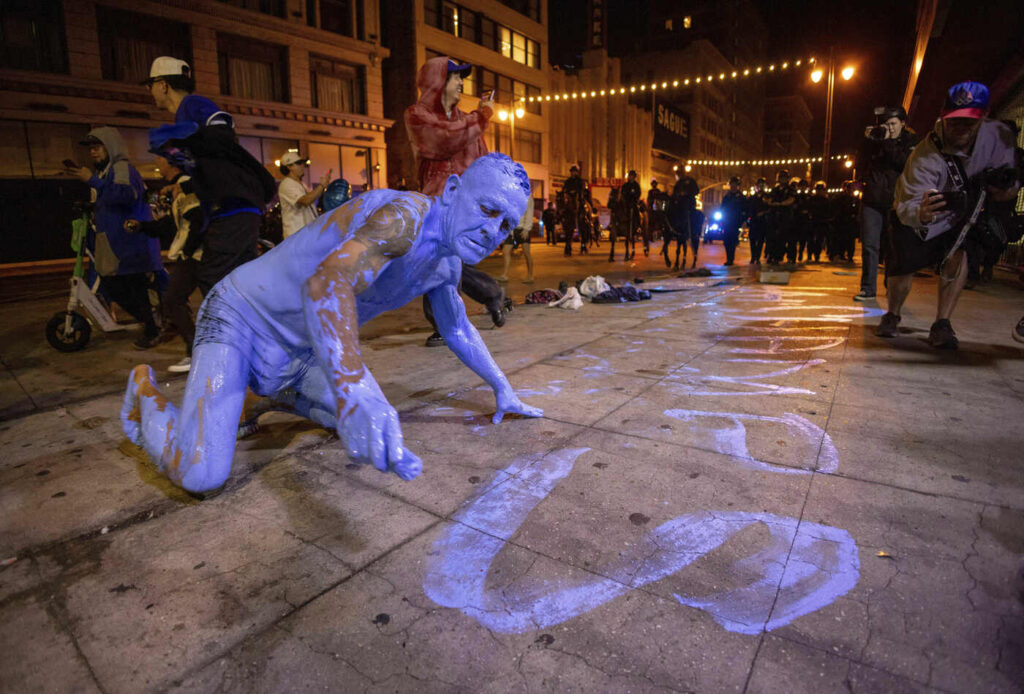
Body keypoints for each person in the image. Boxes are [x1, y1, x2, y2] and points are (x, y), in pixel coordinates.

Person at [122, 153, 543, 492]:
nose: (493, 231)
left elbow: (457, 329)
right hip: (242, 319)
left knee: (368, 428)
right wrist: (356, 387)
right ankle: (146, 393)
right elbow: (327, 282)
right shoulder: (406, 215)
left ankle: (271, 394)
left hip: (305, 353)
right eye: (487, 210)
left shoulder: (446, 263)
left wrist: (502, 388)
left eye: (506, 224)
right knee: (201, 474)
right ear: (452, 190)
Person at [875, 81, 1019, 349]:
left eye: (969, 121)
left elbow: (1010, 184)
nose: (961, 128)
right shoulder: (924, 156)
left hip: (961, 217)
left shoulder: (999, 138)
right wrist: (923, 213)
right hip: (917, 215)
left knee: (958, 256)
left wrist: (1003, 190)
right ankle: (893, 313)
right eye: (954, 121)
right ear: (942, 116)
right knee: (901, 268)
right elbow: (906, 207)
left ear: (983, 117)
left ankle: (942, 322)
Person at [143, 57, 276, 296]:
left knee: (213, 278)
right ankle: (255, 329)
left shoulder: (192, 105)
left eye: (150, 85)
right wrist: (185, 185)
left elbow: (221, 128)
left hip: (232, 208)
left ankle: (229, 332)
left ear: (163, 84)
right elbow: (213, 163)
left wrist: (175, 137)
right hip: (240, 206)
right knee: (236, 281)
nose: (149, 91)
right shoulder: (186, 116)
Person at [404, 56, 507, 347]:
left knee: (446, 262)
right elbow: (442, 141)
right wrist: (482, 117)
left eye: (462, 78)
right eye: (455, 77)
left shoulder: (467, 120)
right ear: (438, 82)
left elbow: (483, 163)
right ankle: (477, 303)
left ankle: (452, 320)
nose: (461, 83)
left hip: (464, 206)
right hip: (435, 204)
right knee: (437, 261)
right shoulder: (417, 114)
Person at [65, 127, 164, 349]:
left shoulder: (121, 167)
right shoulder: (107, 171)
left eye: (97, 147)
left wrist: (92, 181)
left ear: (111, 146)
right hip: (117, 242)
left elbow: (125, 195)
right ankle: (153, 325)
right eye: (90, 148)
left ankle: (153, 327)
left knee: (126, 287)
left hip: (128, 244)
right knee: (129, 287)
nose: (93, 152)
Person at [125, 159, 204, 372]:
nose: (157, 164)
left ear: (174, 164)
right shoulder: (181, 187)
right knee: (189, 302)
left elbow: (198, 220)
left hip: (197, 256)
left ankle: (196, 353)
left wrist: (188, 250)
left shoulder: (186, 185)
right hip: (194, 255)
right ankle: (199, 351)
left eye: (161, 159)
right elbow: (172, 224)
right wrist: (143, 226)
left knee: (173, 300)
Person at [854, 105, 919, 301]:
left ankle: (891, 287)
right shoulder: (875, 139)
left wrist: (888, 142)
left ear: (903, 124)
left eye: (892, 124)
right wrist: (867, 142)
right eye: (885, 125)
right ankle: (868, 288)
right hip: (872, 200)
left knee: (893, 248)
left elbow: (904, 163)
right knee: (869, 245)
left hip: (897, 202)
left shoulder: (911, 142)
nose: (888, 129)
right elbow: (860, 164)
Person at [278, 152, 329, 239]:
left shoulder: (301, 184)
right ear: (289, 166)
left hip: (305, 234)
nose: (302, 166)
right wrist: (321, 186)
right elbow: (305, 201)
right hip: (296, 235)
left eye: (302, 163)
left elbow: (310, 199)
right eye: (298, 163)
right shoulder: (287, 184)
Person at [500, 194, 535, 283]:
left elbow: (529, 213)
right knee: (505, 251)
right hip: (512, 229)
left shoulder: (528, 198)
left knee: (526, 252)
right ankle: (504, 275)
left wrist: (526, 229)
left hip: (522, 229)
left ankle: (530, 276)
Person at [719, 176, 746, 266]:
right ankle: (728, 258)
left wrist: (742, 220)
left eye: (735, 185)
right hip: (727, 222)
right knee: (726, 241)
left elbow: (744, 210)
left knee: (733, 241)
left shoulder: (741, 197)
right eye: (732, 185)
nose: (733, 187)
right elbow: (722, 208)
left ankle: (731, 258)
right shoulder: (726, 197)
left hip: (735, 222)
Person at [561, 165, 588, 256]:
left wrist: (578, 194)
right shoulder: (568, 181)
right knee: (563, 206)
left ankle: (584, 217)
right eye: (572, 171)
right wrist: (566, 194)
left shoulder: (580, 181)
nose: (573, 173)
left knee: (582, 206)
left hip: (577, 198)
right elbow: (564, 189)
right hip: (569, 199)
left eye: (574, 171)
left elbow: (582, 190)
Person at [620, 170, 644, 256]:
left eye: (632, 176)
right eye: (630, 176)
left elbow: (638, 194)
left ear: (634, 177)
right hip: (626, 204)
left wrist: (635, 198)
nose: (630, 177)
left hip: (633, 204)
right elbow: (622, 194)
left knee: (636, 212)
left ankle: (638, 226)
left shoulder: (636, 185)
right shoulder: (625, 185)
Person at [747, 177, 770, 264]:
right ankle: (753, 256)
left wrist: (763, 213)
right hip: (753, 222)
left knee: (760, 241)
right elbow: (748, 209)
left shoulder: (767, 197)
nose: (760, 187)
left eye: (762, 186)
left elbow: (770, 208)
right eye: (759, 185)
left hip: (763, 222)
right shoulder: (752, 198)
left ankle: (757, 257)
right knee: (752, 240)